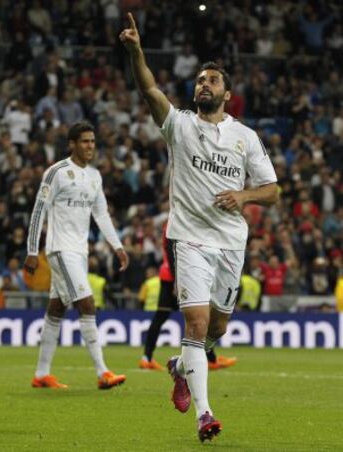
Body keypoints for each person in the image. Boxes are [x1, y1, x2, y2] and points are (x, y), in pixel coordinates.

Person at [120, 14, 279, 442]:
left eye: (212, 80)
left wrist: (243, 197)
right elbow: (149, 89)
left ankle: (179, 366)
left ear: (227, 93)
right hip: (188, 238)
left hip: (230, 240)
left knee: (217, 329)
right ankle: (205, 415)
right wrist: (136, 51)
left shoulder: (244, 137)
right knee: (195, 323)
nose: (203, 84)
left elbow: (273, 190)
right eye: (200, 80)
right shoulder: (180, 125)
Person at [24, 121, 129, 390]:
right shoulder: (56, 172)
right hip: (60, 250)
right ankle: (103, 372)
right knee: (87, 304)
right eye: (84, 141)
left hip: (79, 252)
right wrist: (32, 250)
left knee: (56, 309)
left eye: (93, 141)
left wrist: (117, 246)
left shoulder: (94, 176)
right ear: (72, 144)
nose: (90, 146)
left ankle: (41, 374)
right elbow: (39, 211)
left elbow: (101, 213)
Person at [139, 223, 238, 371]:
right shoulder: (177, 221)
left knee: (168, 317)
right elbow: (171, 250)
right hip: (178, 276)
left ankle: (147, 358)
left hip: (178, 275)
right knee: (199, 317)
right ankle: (210, 359)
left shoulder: (181, 218)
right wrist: (177, 280)